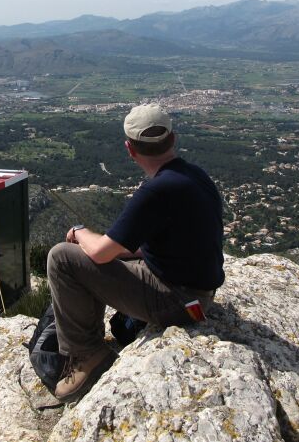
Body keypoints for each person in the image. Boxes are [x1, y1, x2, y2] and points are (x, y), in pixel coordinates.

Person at [47, 103, 224, 400]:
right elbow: (177, 241)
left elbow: (100, 253)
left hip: (176, 300)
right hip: (198, 296)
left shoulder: (156, 190)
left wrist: (78, 232)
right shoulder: (195, 176)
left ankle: (87, 353)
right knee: (102, 256)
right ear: (173, 139)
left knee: (62, 258)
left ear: (130, 149)